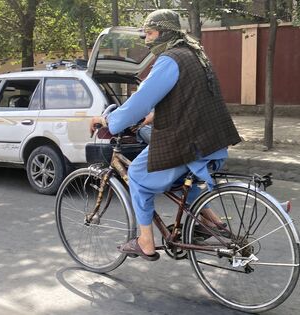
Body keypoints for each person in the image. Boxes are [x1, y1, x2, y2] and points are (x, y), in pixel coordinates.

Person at [89, 9, 241, 261]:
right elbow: (189, 98)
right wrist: (154, 116)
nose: (147, 40)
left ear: (164, 32)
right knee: (180, 180)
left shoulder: (170, 59)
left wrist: (109, 120)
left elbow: (140, 100)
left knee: (137, 173)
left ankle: (145, 241)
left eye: (150, 33)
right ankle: (213, 223)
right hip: (214, 139)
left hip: (191, 142)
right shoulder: (195, 54)